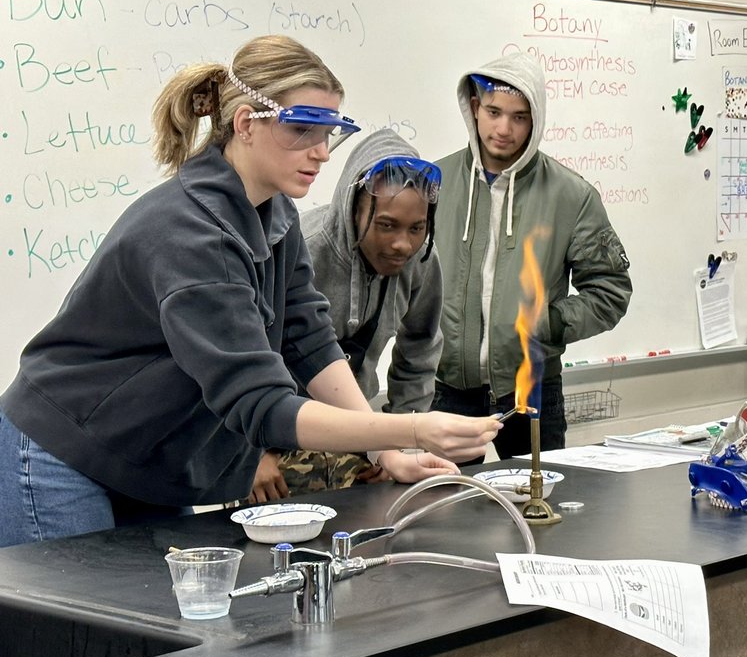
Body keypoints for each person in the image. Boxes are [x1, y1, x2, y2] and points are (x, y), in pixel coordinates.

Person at [0, 35, 499, 547]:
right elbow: (263, 406)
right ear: (245, 125)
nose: (322, 153)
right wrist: (410, 431)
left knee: (152, 619)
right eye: (304, 130)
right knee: (70, 623)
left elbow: (308, 341)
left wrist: (384, 452)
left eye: (331, 133)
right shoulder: (193, 235)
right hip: (58, 449)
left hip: (148, 457)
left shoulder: (273, 214)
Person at [432, 52, 632, 462]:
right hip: (447, 388)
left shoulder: (571, 196)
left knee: (537, 511)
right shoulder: (434, 184)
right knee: (444, 510)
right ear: (474, 108)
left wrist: (547, 323)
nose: (504, 128)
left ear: (535, 119)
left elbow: (610, 289)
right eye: (493, 112)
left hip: (533, 390)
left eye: (519, 117)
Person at [251, 129, 446, 501]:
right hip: (273, 447)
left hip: (356, 441)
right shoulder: (300, 250)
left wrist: (398, 445)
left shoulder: (419, 261)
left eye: (416, 228)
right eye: (386, 225)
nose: (402, 243)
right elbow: (238, 359)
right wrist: (250, 455)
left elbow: (420, 351)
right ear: (352, 209)